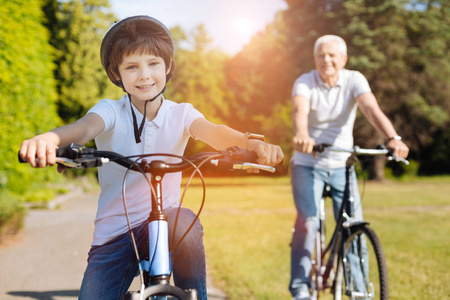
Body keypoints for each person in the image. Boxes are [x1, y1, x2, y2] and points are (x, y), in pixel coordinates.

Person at [19, 16, 284, 300]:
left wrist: (249, 143)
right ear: (116, 74)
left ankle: (196, 296)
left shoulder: (181, 113)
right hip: (115, 231)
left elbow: (212, 131)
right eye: (132, 67)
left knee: (186, 222)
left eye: (153, 63)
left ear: (168, 66)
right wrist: (52, 139)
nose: (144, 75)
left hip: (167, 221)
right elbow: (84, 128)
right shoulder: (110, 110)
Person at [289, 35, 409, 300]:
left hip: (342, 163)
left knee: (353, 226)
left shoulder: (354, 80)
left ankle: (358, 289)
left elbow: (370, 108)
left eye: (332, 55)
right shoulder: (305, 82)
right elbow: (300, 111)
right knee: (308, 223)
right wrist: (302, 135)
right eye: (321, 55)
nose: (326, 60)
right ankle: (300, 288)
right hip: (307, 163)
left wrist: (393, 138)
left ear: (344, 59)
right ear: (315, 59)